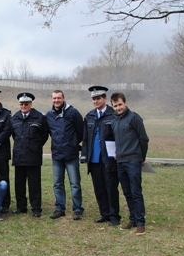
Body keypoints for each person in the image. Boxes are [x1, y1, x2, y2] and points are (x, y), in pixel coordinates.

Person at [81, 86, 121, 227]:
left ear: (105, 99)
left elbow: (119, 136)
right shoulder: (90, 116)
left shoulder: (113, 115)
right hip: (94, 159)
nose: (96, 101)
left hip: (109, 158)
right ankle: (104, 213)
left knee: (111, 187)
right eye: (94, 99)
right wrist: (84, 155)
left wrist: (119, 152)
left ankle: (114, 216)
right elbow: (86, 139)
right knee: (99, 188)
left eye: (98, 98)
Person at [110, 92, 149, 235]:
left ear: (125, 102)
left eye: (120, 105)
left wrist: (141, 157)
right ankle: (133, 219)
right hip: (120, 162)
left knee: (135, 192)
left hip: (133, 161)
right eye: (115, 106)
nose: (118, 108)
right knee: (127, 192)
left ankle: (140, 222)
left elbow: (143, 139)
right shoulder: (114, 121)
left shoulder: (134, 118)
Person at [45, 90, 85, 220]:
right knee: (57, 183)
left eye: (59, 98)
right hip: (57, 154)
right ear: (51, 99)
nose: (56, 100)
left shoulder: (73, 112)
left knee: (75, 183)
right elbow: (48, 132)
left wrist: (73, 144)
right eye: (54, 98)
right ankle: (60, 208)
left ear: (63, 98)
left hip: (71, 154)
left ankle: (77, 209)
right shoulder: (49, 115)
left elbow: (81, 131)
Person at [10, 92, 50, 218]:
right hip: (19, 155)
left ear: (31, 104)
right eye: (21, 104)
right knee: (19, 184)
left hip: (33, 155)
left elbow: (44, 134)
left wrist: (35, 145)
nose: (24, 106)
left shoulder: (39, 117)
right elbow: (14, 135)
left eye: (26, 104)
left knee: (34, 184)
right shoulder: (14, 118)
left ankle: (36, 208)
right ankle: (21, 207)